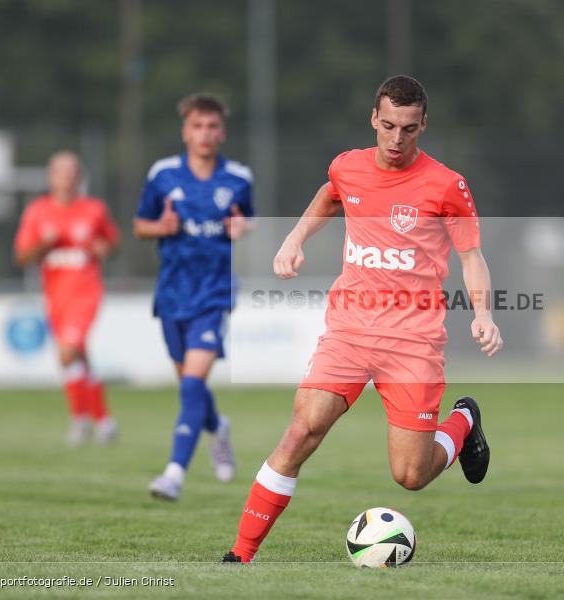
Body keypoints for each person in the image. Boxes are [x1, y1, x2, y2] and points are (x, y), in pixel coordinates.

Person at [222, 75, 503, 563]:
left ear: (423, 126)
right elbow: (331, 195)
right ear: (374, 118)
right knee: (300, 432)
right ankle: (240, 555)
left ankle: (463, 420)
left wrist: (483, 313)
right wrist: (294, 240)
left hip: (413, 341)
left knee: (410, 476)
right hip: (349, 331)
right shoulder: (348, 167)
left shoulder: (447, 186)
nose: (397, 140)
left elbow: (472, 257)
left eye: (409, 129)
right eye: (389, 125)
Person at [134, 93, 254, 501]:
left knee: (190, 385)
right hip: (172, 293)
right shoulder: (163, 174)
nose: (205, 133)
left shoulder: (238, 177)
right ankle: (217, 427)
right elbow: (139, 225)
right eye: (198, 126)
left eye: (213, 126)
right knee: (191, 385)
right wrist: (161, 227)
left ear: (222, 132)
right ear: (186, 131)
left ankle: (173, 474)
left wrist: (241, 232)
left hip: (213, 293)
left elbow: (245, 222)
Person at [14, 151, 120, 445]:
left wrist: (103, 248)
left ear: (80, 177)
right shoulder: (37, 212)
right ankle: (104, 420)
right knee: (79, 357)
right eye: (61, 170)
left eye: (73, 170)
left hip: (86, 293)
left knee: (66, 352)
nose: (67, 176)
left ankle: (79, 420)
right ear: (50, 177)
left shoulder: (94, 209)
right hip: (55, 296)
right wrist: (43, 244)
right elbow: (22, 257)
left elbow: (111, 241)